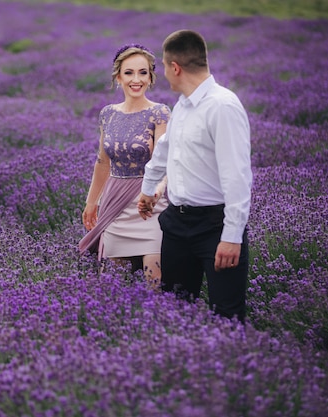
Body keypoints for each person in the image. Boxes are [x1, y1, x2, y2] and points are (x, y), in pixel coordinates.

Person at [138, 30, 252, 322]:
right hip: (177, 223)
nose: (163, 73)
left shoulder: (223, 106)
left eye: (163, 66)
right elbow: (165, 149)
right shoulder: (184, 106)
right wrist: (148, 189)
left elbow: (237, 176)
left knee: (226, 316)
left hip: (215, 226)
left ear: (175, 67)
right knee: (175, 310)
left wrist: (231, 236)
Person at [79, 43, 171, 290]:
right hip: (115, 204)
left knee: (155, 283)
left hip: (149, 205)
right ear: (118, 77)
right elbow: (103, 161)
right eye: (129, 72)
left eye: (143, 72)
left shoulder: (159, 113)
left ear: (151, 77)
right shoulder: (108, 114)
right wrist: (91, 202)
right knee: (112, 286)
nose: (136, 79)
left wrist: (155, 191)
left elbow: (163, 162)